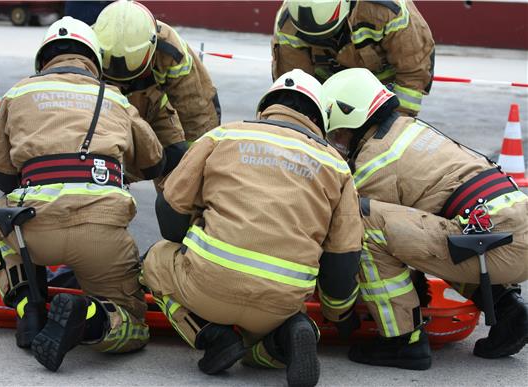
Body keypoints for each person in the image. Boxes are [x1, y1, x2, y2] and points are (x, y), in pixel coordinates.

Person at [141, 69, 363, 387]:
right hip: (280, 302)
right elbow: (342, 259)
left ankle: (213, 337)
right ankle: (288, 334)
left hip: (207, 287)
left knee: (157, 257)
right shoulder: (336, 167)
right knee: (259, 346)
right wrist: (340, 315)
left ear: (264, 109)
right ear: (320, 121)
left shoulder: (223, 136)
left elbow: (170, 216)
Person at [0, 16, 165, 372]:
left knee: (3, 223)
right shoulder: (113, 97)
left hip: (33, 231)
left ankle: (28, 310)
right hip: (101, 234)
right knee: (132, 322)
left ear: (43, 59)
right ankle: (91, 316)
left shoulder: (18, 93)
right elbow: (155, 159)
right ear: (95, 60)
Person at [322, 67, 528, 370]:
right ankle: (509, 311)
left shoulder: (371, 164)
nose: (336, 140)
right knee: (439, 230)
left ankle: (402, 341)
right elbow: (415, 229)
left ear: (350, 119)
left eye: (336, 133)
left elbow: (347, 237)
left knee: (361, 220)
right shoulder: (407, 129)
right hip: (510, 230)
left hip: (495, 246)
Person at [93, 0, 221, 177]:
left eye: (135, 75)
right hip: (103, 114)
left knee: (177, 176)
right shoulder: (89, 45)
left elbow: (197, 113)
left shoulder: (171, 51)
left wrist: (195, 166)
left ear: (152, 49)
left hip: (156, 111)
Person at [272, 0, 435, 116]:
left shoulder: (388, 10)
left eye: (329, 33)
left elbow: (413, 72)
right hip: (328, 93)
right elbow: (295, 87)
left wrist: (397, 119)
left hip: (384, 92)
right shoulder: (287, 23)